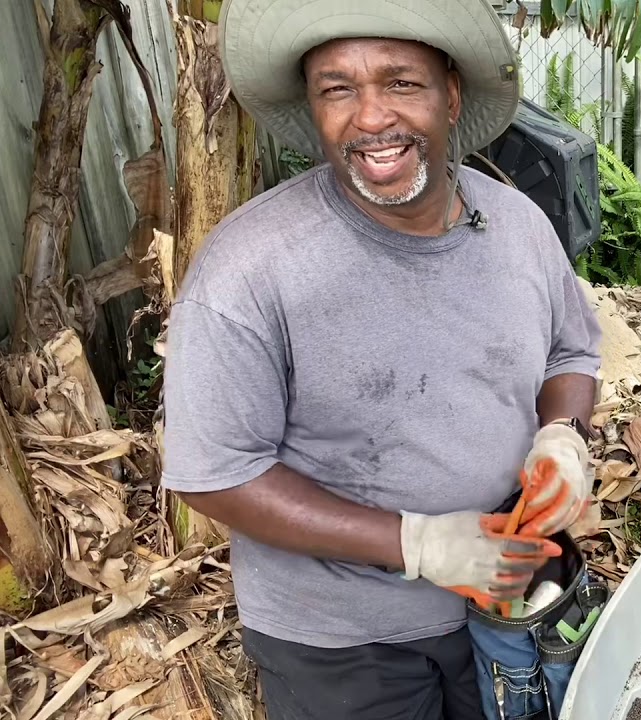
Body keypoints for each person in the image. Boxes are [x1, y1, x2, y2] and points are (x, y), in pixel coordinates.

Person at [157, 0, 603, 716]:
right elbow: (215, 474)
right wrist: (416, 543)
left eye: (400, 83)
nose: (369, 118)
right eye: (338, 88)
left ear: (451, 94)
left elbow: (570, 349)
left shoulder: (518, 225)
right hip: (342, 642)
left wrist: (567, 436)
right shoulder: (251, 269)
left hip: (510, 606)